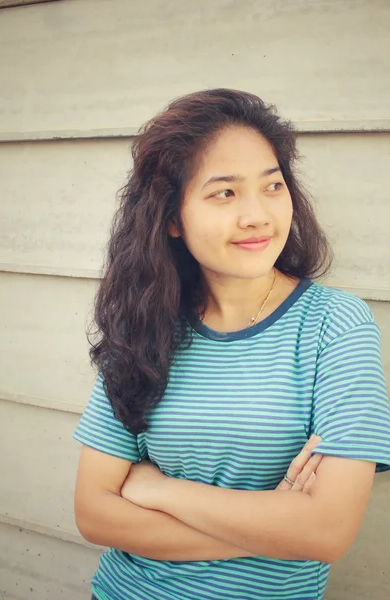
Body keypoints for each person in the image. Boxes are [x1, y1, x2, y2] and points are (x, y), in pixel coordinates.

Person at [73, 89, 390, 600]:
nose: (258, 216)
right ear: (171, 218)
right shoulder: (145, 327)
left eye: (272, 186)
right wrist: (275, 526)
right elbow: (94, 512)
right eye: (225, 193)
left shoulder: (335, 324)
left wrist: (160, 490)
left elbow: (326, 532)